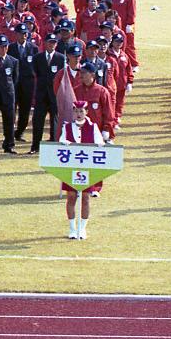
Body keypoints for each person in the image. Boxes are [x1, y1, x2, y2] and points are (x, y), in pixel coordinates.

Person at [59, 101, 104, 240]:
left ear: (86, 112)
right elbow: (62, 142)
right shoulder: (66, 127)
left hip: (86, 168)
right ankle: (72, 228)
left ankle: (82, 228)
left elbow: (100, 144)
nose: (78, 114)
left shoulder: (93, 127)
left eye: (81, 111)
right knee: (71, 197)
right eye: (76, 111)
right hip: (71, 168)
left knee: (85, 198)